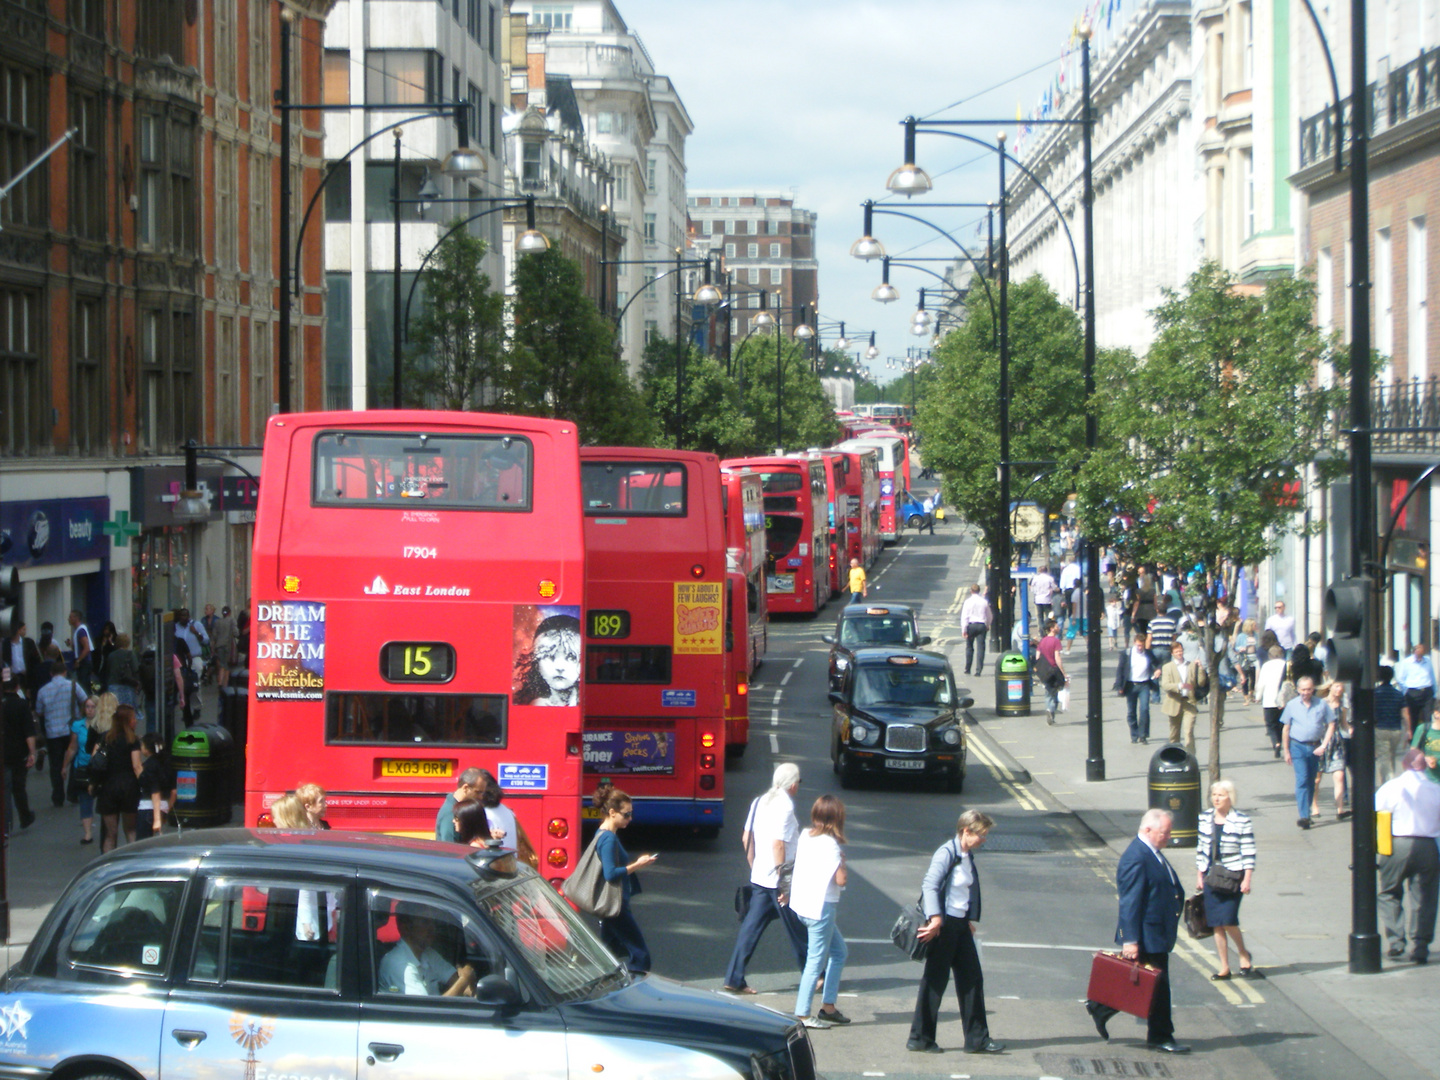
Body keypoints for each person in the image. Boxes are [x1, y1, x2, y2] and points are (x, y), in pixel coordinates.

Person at [1084, 809, 1188, 1054]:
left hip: (1155, 932)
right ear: (1148, 830)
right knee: (1158, 985)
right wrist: (1130, 940)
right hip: (1146, 934)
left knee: (1141, 982)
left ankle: (1101, 1007)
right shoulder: (1137, 857)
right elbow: (1130, 901)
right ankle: (1161, 1036)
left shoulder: (1152, 853)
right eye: (1165, 833)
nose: (1169, 837)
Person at [908, 809, 1003, 1055]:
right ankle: (920, 1038)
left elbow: (961, 891)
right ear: (966, 831)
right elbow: (930, 884)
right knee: (935, 982)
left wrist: (966, 919)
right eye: (981, 835)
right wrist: (936, 918)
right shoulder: (947, 852)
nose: (984, 839)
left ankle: (977, 1040)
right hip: (944, 926)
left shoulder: (966, 854)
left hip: (959, 925)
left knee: (972, 979)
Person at [723, 763, 809, 994]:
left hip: (761, 877)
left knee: (750, 929)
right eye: (798, 783)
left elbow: (745, 838)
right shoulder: (786, 806)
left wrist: (755, 866)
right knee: (799, 927)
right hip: (780, 881)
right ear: (793, 784)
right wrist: (783, 882)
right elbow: (778, 844)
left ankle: (734, 977)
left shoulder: (759, 801)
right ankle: (816, 975)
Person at [790, 794, 849, 1029]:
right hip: (821, 908)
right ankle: (803, 1014)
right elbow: (841, 881)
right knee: (815, 963)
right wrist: (843, 862)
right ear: (837, 819)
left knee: (839, 951)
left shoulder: (805, 835)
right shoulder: (832, 846)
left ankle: (828, 1007)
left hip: (803, 905)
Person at [1376, 748, 1440, 964]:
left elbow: (1378, 814)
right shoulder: (1435, 789)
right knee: (1425, 897)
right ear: (1424, 767)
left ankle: (1396, 942)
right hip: (1428, 845)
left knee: (1389, 892)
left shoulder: (1391, 787)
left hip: (1396, 843)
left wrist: (1379, 850)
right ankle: (1421, 944)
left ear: (1404, 765)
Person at [1196, 780, 1259, 979]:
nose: (1216, 799)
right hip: (1211, 876)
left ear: (1230, 797)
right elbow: (1201, 849)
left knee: (1229, 920)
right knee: (1216, 922)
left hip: (1233, 876)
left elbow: (1248, 851)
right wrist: (1200, 876)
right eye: (1214, 795)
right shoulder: (1205, 818)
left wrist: (1247, 879)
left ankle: (1243, 953)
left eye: (1221, 795)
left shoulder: (1242, 820)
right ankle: (1224, 967)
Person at [593, 787, 657, 973]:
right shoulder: (608, 839)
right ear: (612, 813)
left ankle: (600, 982)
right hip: (616, 905)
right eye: (626, 814)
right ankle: (636, 987)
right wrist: (639, 864)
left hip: (613, 904)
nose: (630, 819)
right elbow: (610, 874)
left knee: (608, 952)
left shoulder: (602, 834)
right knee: (640, 955)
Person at [378, 903, 477, 996]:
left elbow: (457, 982)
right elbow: (429, 1010)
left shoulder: (427, 953)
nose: (432, 928)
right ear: (406, 928)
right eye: (425, 922)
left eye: (432, 921)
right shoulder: (399, 964)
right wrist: (465, 978)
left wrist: (468, 984)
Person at [1279, 675, 1336, 829]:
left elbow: (1331, 724)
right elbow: (1286, 728)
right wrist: (1286, 750)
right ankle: (1303, 815)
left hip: (1315, 747)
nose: (1306, 692)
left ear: (1313, 689)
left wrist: (1324, 744)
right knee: (1302, 779)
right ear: (1298, 690)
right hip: (1297, 746)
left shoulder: (1321, 704)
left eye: (1309, 689)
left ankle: (1308, 812)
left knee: (1312, 781)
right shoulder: (1292, 705)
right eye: (1303, 689)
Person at [34, 656, 88, 808]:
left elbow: (39, 711)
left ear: (51, 674)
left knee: (55, 764)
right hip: (71, 729)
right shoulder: (73, 685)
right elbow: (84, 699)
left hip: (53, 732)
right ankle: (72, 792)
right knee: (74, 759)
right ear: (65, 672)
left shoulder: (43, 691)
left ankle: (58, 795)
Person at [94, 704, 142, 853]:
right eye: (134, 718)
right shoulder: (133, 740)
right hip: (129, 787)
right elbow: (136, 766)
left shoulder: (105, 738)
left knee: (110, 835)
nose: (136, 721)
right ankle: (133, 863)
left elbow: (94, 759)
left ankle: (107, 866)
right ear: (128, 721)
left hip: (108, 787)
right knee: (131, 830)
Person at [61, 694, 104, 844]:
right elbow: (72, 747)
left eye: (93, 707)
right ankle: (88, 833)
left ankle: (106, 828)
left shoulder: (103, 727)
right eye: (87, 706)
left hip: (99, 767)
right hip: (83, 766)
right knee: (85, 799)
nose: (90, 710)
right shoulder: (78, 726)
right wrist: (65, 766)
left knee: (103, 798)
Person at [514, 613, 581, 706]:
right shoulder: (534, 705)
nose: (560, 667)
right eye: (549, 656)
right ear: (536, 662)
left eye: (571, 657)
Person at [1, 677, 37, 831]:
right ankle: (25, 816)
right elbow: (29, 731)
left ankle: (7, 824)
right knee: (19, 787)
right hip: (19, 752)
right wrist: (32, 752)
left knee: (5, 789)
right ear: (17, 687)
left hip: (3, 752)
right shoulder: (22, 705)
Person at [1159, 641, 1203, 753]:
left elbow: (1201, 683)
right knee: (1174, 734)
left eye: (1180, 650)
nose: (1179, 653)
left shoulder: (1190, 665)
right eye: (1176, 651)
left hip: (1189, 703)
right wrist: (1179, 686)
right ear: (1172, 653)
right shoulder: (1167, 667)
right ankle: (1175, 756)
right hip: (1174, 703)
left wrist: (1201, 668)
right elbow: (1165, 685)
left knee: (1188, 732)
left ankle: (1191, 757)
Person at [1317, 681, 1351, 820]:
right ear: (1330, 686)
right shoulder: (1321, 704)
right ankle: (1314, 806)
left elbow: (1344, 724)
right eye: (1337, 686)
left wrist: (1350, 730)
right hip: (1320, 742)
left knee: (1340, 776)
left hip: (1337, 743)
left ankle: (1340, 809)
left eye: (1341, 687)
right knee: (1316, 779)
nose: (1340, 689)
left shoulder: (1342, 706)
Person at [1114, 631, 1155, 744]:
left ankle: (1143, 735)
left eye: (1142, 645)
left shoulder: (1148, 653)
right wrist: (1119, 686)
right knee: (1131, 711)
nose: (1140, 647)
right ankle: (1134, 734)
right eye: (1138, 645)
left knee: (1144, 709)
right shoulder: (1127, 654)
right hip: (1131, 685)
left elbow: (1156, 663)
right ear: (1134, 643)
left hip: (1144, 685)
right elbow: (1120, 670)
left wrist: (1157, 670)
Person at [134, 733, 175, 840]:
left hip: (148, 808)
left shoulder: (150, 765)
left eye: (142, 746)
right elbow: (174, 791)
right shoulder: (168, 763)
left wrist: (156, 820)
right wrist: (166, 809)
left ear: (147, 749)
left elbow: (155, 792)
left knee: (143, 844)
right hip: (164, 806)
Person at [1375, 661, 1409, 784]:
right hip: (1396, 729)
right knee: (1392, 756)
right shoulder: (1398, 694)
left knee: (1384, 758)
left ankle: (1388, 782)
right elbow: (1405, 713)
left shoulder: (1376, 693)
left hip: (1380, 729)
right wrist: (1408, 730)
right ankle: (1389, 782)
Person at [1397, 642, 1438, 743]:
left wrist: (1435, 692)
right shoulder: (1407, 662)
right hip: (1413, 692)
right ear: (1414, 651)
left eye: (1422, 650)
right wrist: (1406, 691)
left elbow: (1432, 676)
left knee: (1428, 716)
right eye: (1418, 649)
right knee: (1413, 717)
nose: (1421, 652)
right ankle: (1414, 740)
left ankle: (1427, 738)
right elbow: (1400, 679)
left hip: (1427, 691)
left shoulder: (1427, 661)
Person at [1255, 645, 1290, 758]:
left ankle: (1276, 742)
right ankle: (1282, 742)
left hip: (1269, 699)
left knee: (1270, 724)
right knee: (1282, 723)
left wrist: (1258, 696)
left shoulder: (1266, 665)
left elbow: (1261, 683)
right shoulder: (1286, 664)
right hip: (1284, 699)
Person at [434, 767, 485, 842]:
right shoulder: (450, 813)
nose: (481, 797)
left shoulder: (461, 808)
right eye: (478, 792)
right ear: (466, 788)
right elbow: (449, 848)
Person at [1036, 620, 1067, 726]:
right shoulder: (1056, 641)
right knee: (1055, 692)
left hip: (1044, 671)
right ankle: (1051, 710)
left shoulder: (1042, 641)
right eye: (1056, 626)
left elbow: (1037, 656)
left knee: (1048, 691)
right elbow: (1057, 657)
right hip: (1053, 669)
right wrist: (1063, 672)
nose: (1058, 628)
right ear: (1052, 629)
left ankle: (1049, 710)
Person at [7, 621, 43, 702]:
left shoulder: (28, 643)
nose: (25, 632)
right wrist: (6, 681)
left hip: (26, 677)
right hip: (11, 677)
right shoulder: (6, 644)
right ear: (17, 630)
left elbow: (35, 662)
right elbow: (4, 663)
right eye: (23, 629)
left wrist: (31, 685)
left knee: (26, 699)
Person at [959, 584, 991, 677]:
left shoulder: (967, 602)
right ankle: (978, 671)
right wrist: (988, 624)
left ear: (971, 591)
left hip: (971, 626)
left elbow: (964, 616)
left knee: (969, 647)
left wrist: (964, 629)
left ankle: (968, 669)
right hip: (981, 626)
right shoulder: (984, 601)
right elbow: (989, 615)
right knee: (981, 648)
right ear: (979, 591)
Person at [1411, 703, 1440, 785]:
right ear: (1436, 714)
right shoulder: (1423, 729)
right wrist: (1425, 759)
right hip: (1427, 780)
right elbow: (1413, 753)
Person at [212, 606, 238, 690]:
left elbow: (214, 635)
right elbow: (236, 633)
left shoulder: (217, 621)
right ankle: (225, 684)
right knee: (227, 665)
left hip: (219, 645)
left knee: (222, 664)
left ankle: (220, 682)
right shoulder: (231, 620)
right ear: (229, 612)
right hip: (228, 645)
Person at [68, 610, 94, 691]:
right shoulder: (77, 631)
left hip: (84, 663)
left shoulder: (81, 631)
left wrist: (78, 660)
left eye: (70, 617)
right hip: (83, 662)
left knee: (83, 686)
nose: (68, 619)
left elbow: (87, 648)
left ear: (76, 618)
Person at [1032, 564, 1056, 629]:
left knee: (1040, 617)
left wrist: (1036, 592)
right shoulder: (1050, 578)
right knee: (1049, 615)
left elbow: (1032, 589)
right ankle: (1048, 627)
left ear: (1039, 571)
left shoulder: (1036, 578)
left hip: (1038, 599)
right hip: (1047, 599)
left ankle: (1041, 630)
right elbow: (1054, 587)